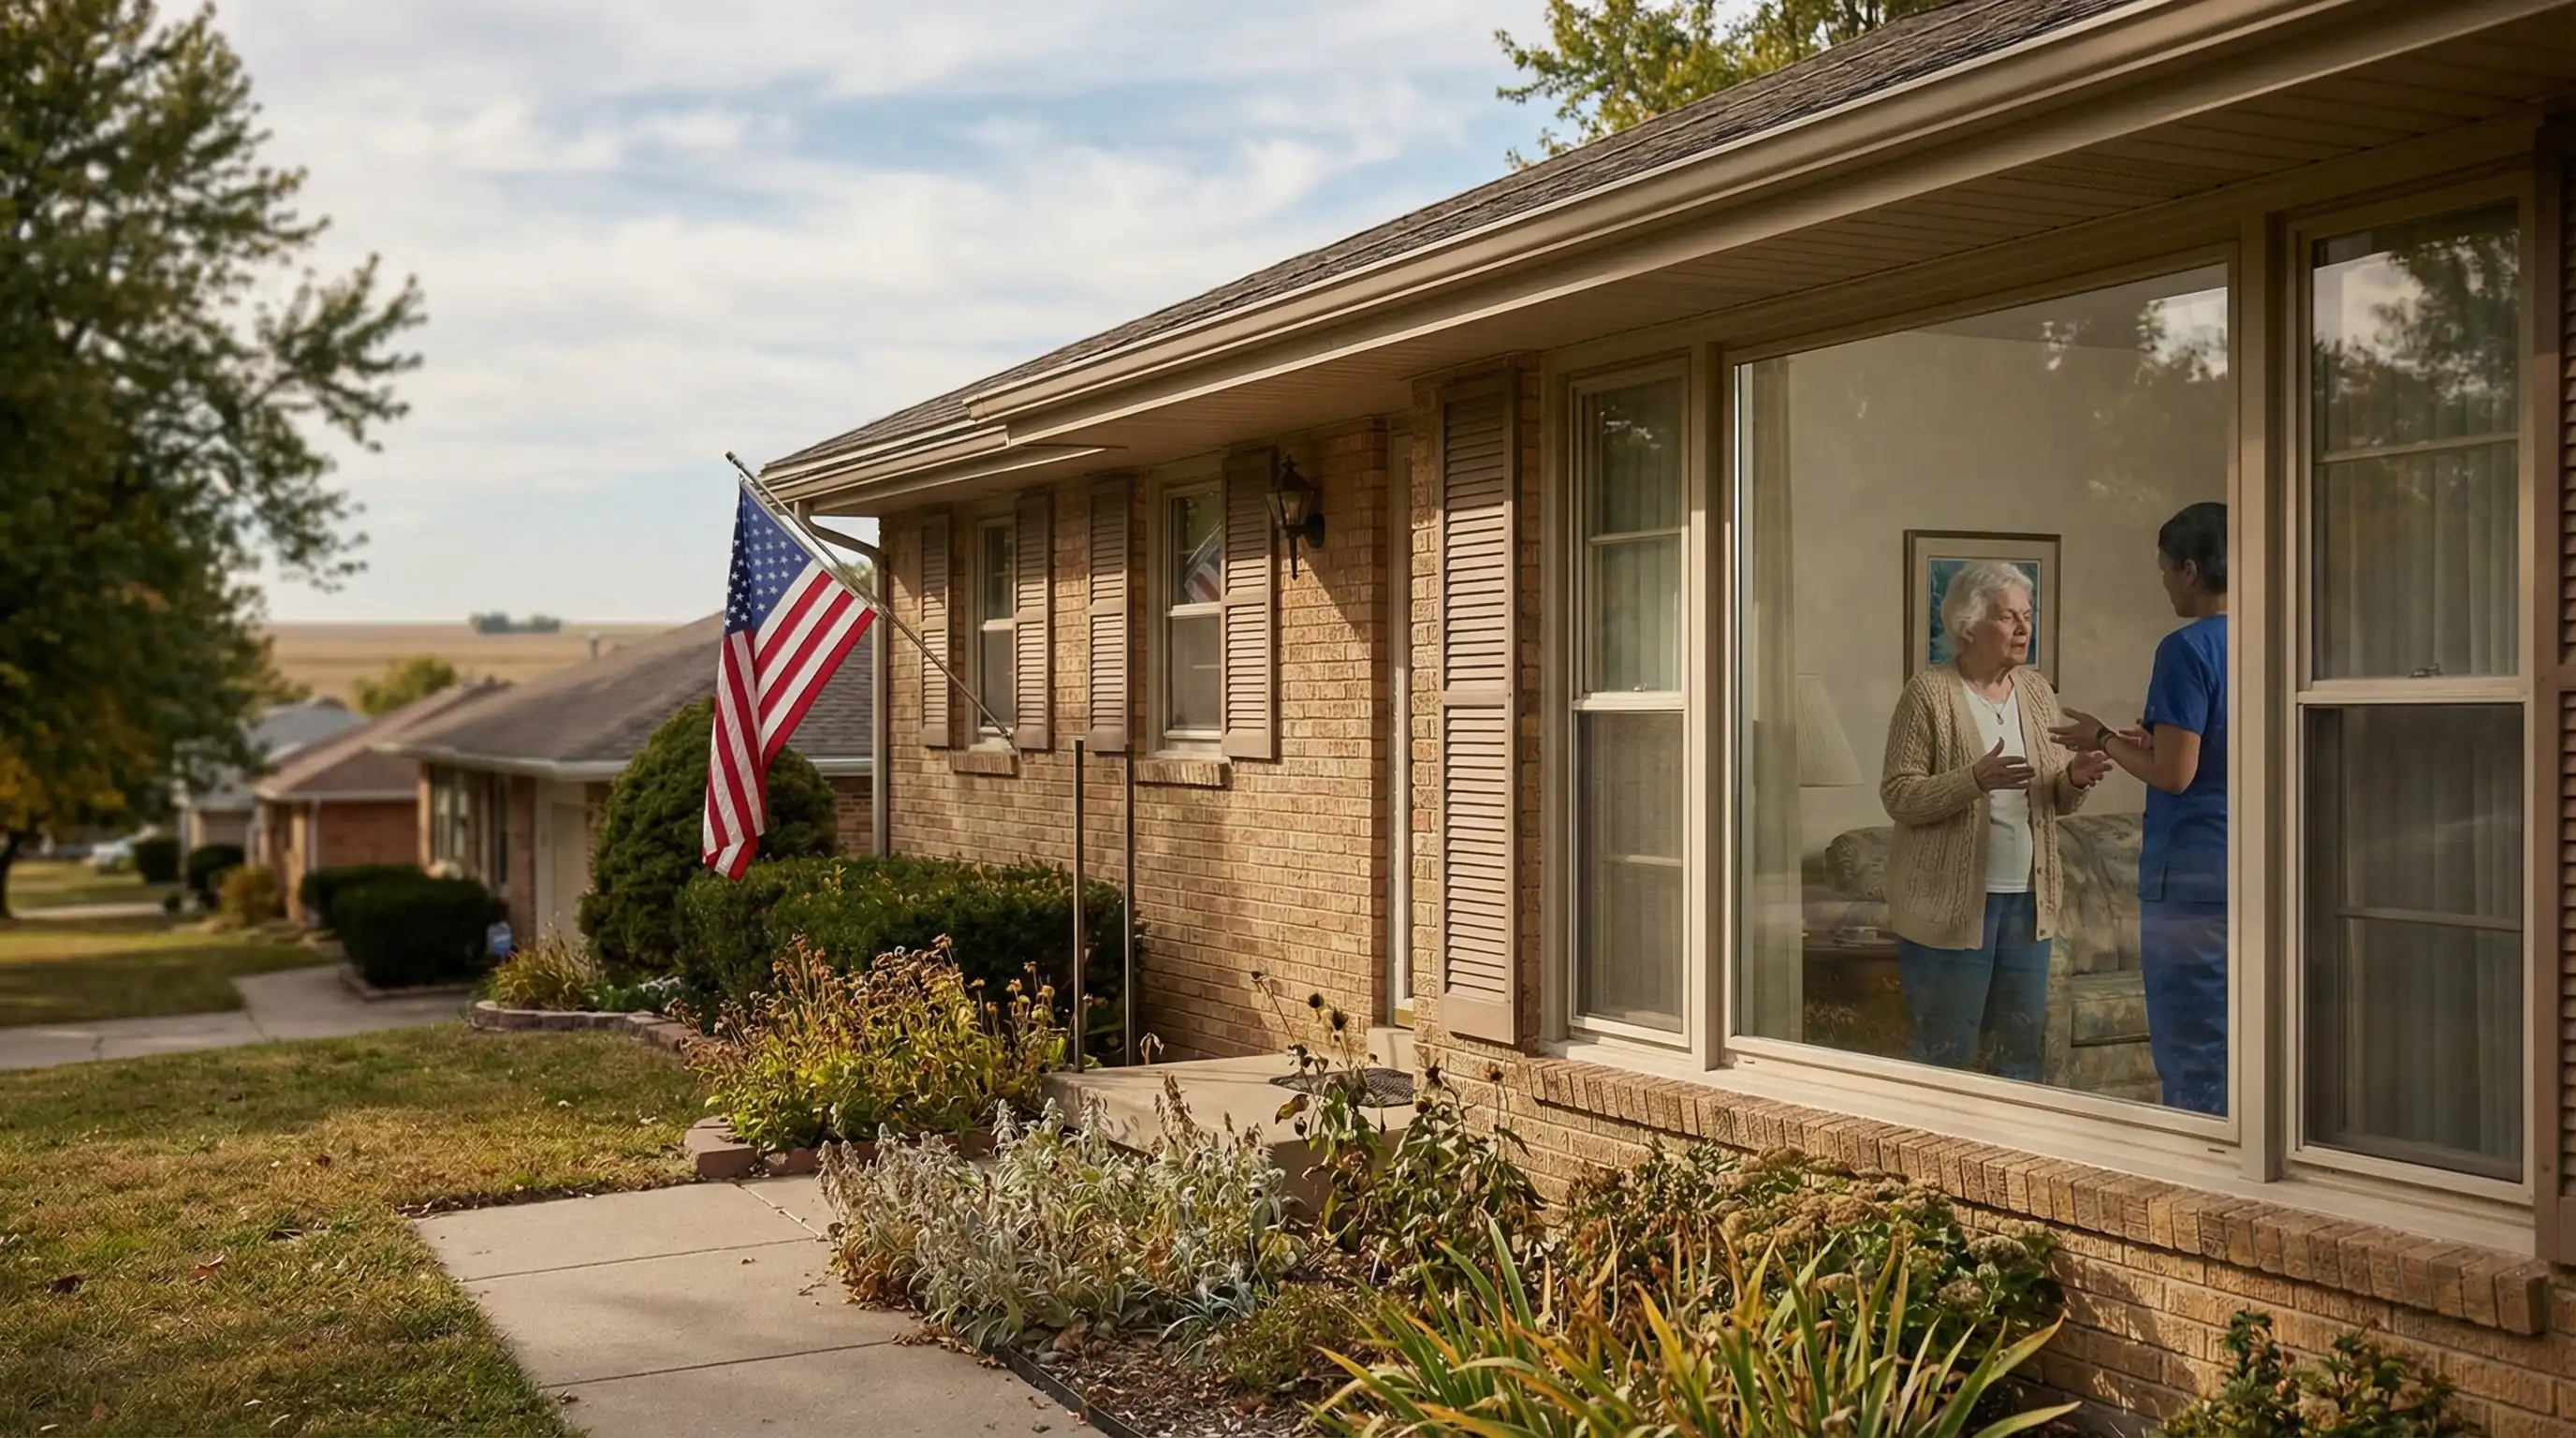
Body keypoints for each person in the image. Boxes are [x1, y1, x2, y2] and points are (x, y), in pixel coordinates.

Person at [1881, 563, 2112, 1080]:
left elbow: (2054, 799)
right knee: (1947, 1054)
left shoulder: (2035, 692)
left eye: (2026, 617)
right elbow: (1898, 794)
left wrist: (2074, 777)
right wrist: (1973, 780)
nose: (2024, 629)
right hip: (1950, 908)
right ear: (1969, 625)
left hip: (2028, 904)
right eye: (2008, 618)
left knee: (2020, 1053)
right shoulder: (1928, 693)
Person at [2051, 502, 2228, 1116]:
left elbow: (2175, 775)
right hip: (2254, 866)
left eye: (2163, 570)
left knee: (2195, 1047)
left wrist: (2102, 739)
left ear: (2189, 569)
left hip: (2194, 874)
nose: (2162, 583)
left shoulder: (2187, 649)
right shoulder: (2273, 641)